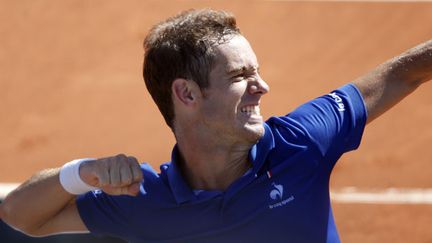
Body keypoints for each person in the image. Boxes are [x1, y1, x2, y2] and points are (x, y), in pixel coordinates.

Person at [0, 9, 431, 243]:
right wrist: (83, 172)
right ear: (186, 95)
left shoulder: (301, 143)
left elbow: (402, 73)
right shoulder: (144, 199)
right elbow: (20, 216)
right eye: (240, 76)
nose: (263, 87)